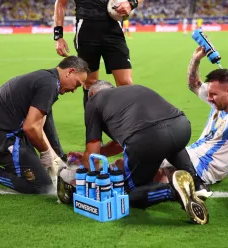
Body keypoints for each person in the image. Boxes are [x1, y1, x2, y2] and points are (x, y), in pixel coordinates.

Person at [59, 81, 210, 225]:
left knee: (128, 194)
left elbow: (93, 156)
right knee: (169, 140)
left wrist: (86, 167)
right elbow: (122, 143)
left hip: (148, 139)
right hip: (182, 127)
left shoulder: (94, 101)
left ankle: (173, 191)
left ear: (92, 94)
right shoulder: (133, 89)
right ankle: (197, 183)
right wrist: (97, 153)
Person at [0, 56, 89, 194]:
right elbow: (31, 127)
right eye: (77, 84)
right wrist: (46, 153)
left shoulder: (47, 79)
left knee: (46, 113)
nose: (74, 90)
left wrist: (57, 158)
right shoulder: (49, 84)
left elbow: (43, 123)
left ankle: (56, 159)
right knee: (41, 186)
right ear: (70, 71)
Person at [158, 47, 228, 186]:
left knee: (154, 176)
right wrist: (196, 59)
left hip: (204, 170)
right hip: (191, 154)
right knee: (138, 161)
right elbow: (193, 84)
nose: (210, 98)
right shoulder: (219, 102)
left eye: (213, 94)